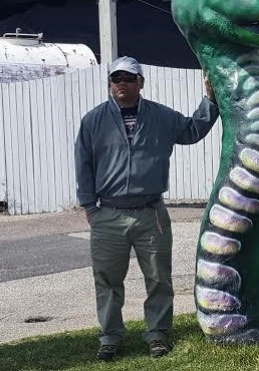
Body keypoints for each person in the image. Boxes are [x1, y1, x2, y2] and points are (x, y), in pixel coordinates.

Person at [75, 56, 218, 361]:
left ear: (141, 82)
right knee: (107, 280)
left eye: (128, 78)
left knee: (158, 278)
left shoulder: (160, 117)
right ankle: (110, 338)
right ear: (110, 84)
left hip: (150, 214)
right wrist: (89, 206)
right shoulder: (93, 121)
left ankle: (157, 334)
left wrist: (210, 100)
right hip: (108, 214)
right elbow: (83, 165)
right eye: (116, 79)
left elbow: (191, 130)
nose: (122, 83)